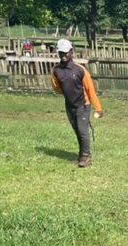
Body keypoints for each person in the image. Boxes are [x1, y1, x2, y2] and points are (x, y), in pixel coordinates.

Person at [50, 39, 103, 168]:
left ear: (71, 52)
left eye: (65, 52)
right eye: (61, 53)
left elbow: (91, 90)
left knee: (82, 130)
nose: (63, 55)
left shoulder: (80, 70)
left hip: (83, 104)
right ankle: (81, 155)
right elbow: (56, 88)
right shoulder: (56, 71)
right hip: (69, 105)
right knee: (77, 130)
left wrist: (98, 108)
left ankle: (86, 156)